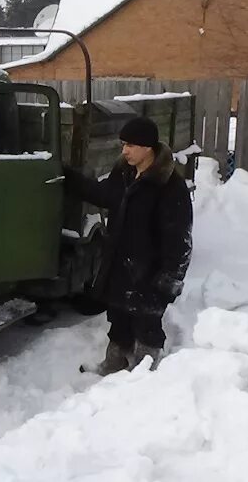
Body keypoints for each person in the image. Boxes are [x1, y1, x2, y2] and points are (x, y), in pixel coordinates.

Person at [63, 116, 193, 375]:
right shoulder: (123, 173)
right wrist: (67, 176)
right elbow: (103, 195)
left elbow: (180, 241)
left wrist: (168, 282)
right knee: (119, 318)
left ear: (148, 147)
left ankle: (145, 373)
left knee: (147, 324)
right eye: (124, 144)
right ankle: (114, 363)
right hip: (121, 264)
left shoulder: (169, 186)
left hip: (150, 271)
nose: (124, 151)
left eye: (131, 145)